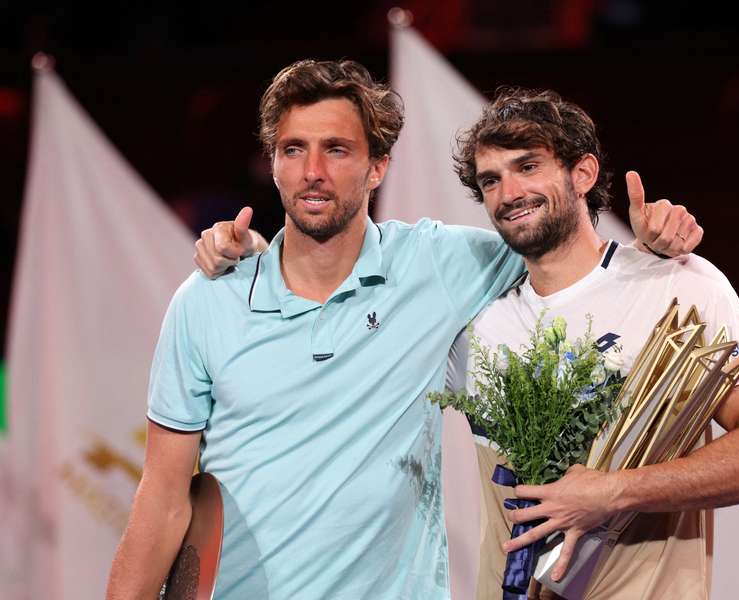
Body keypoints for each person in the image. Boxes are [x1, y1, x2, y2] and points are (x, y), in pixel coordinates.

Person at [106, 61, 701, 600]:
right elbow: (160, 501)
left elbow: (559, 243)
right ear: (272, 163)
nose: (312, 172)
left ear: (377, 166)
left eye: (337, 149)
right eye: (293, 150)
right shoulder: (207, 301)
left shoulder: (438, 266)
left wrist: (647, 247)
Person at [446, 88, 739, 599]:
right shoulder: (474, 324)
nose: (509, 192)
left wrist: (613, 492)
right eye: (491, 180)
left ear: (583, 174)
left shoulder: (679, 287)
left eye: (528, 167)